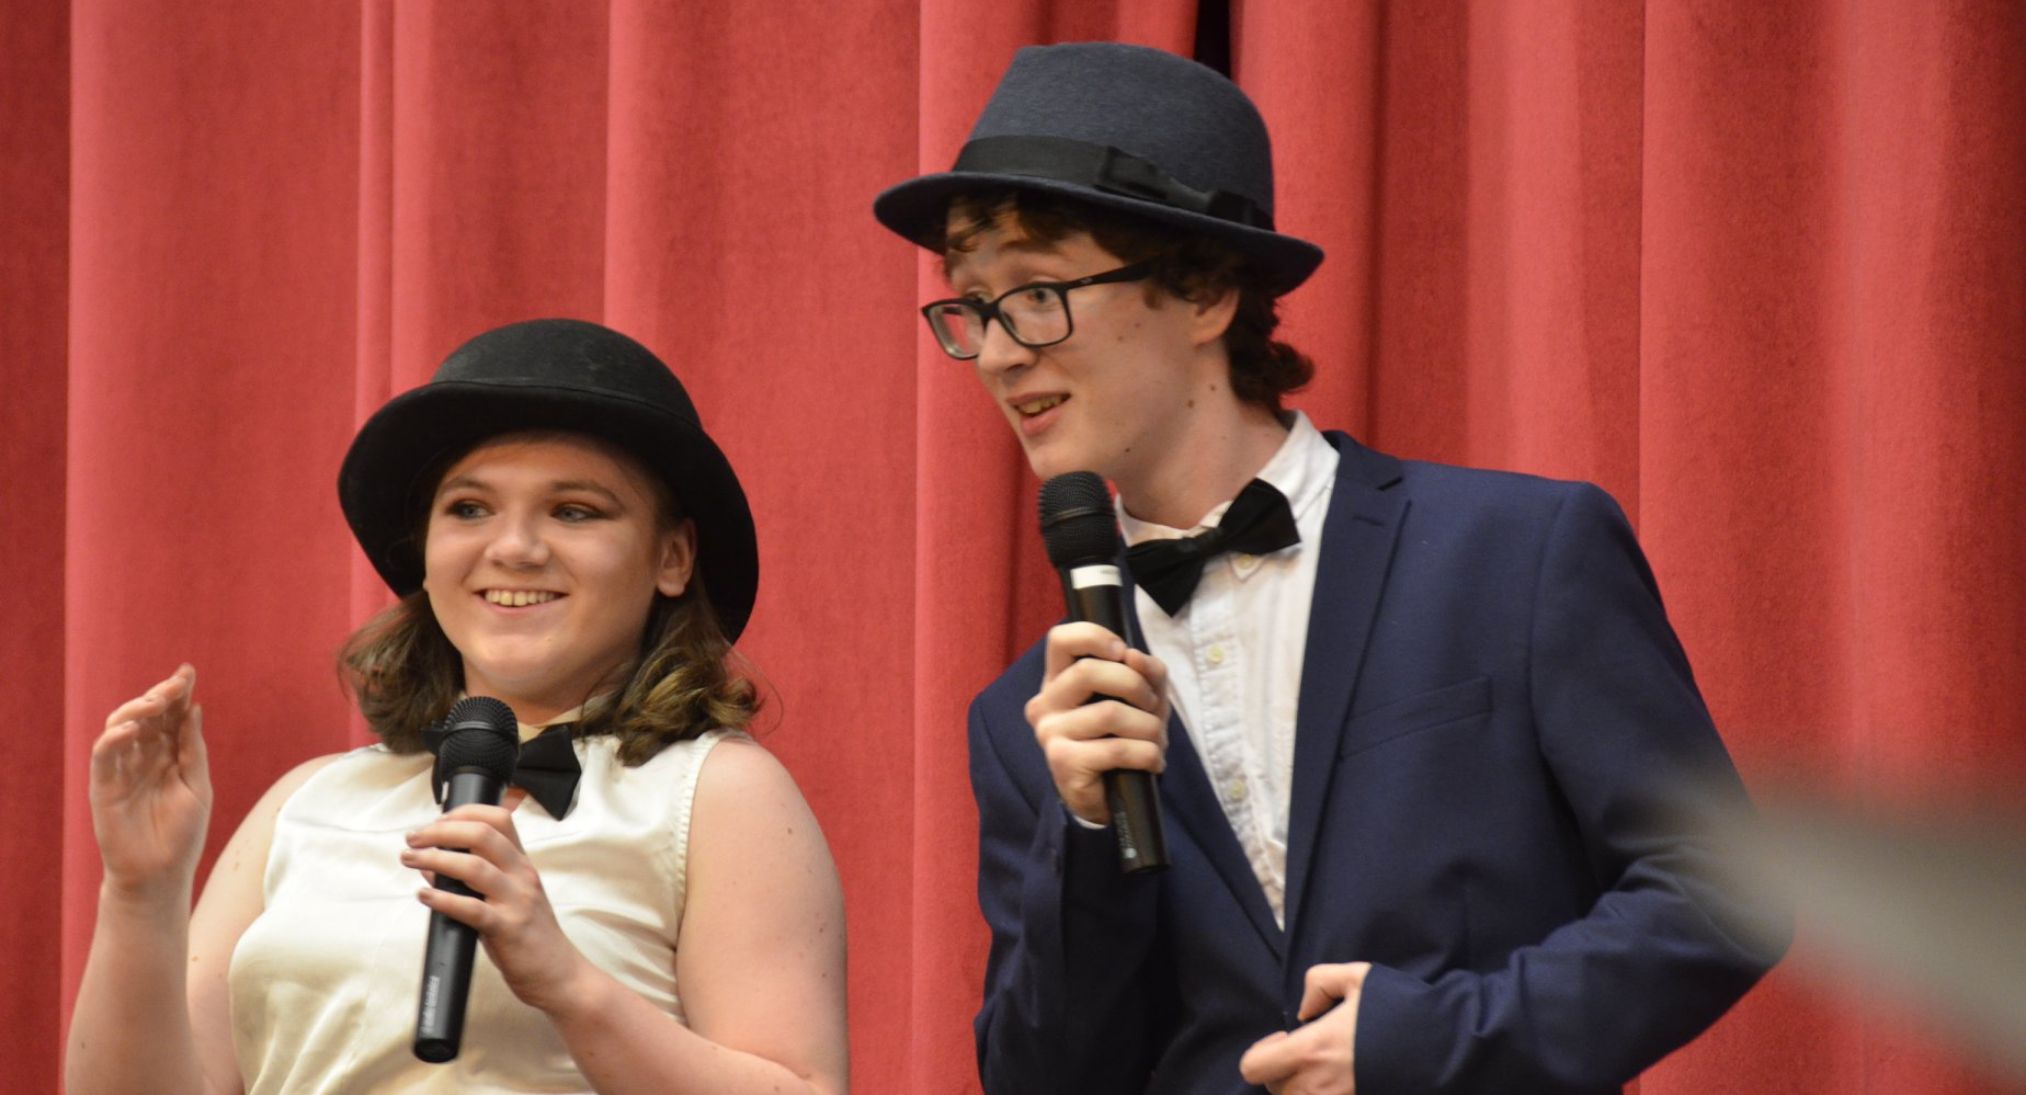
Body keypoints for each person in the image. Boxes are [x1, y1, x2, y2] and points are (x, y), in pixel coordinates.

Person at [873, 42, 1786, 1093]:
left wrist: (1436, 1040)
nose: (997, 353)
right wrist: (1081, 832)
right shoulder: (1027, 718)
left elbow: (1722, 891)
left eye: (1037, 293)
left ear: (1206, 292)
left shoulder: (1516, 554)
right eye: (972, 307)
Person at [67, 319, 848, 1094]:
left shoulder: (714, 792)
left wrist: (569, 983)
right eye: (470, 509)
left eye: (574, 510)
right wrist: (141, 893)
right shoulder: (307, 800)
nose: (513, 548)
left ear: (672, 556)